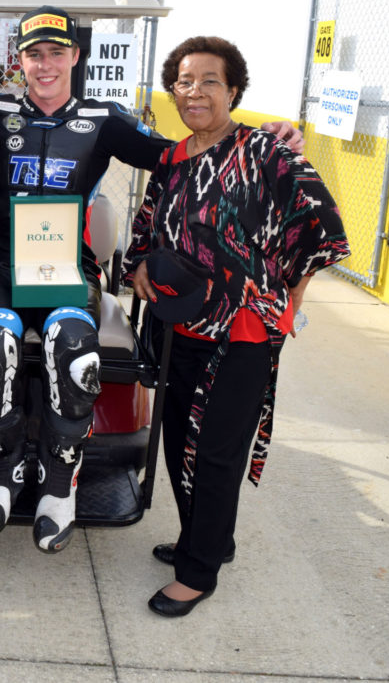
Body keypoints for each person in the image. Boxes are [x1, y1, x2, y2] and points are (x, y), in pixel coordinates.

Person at [0, 5, 306, 555]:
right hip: (2, 262)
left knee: (74, 349)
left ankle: (59, 483)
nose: (45, 65)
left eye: (56, 52)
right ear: (17, 60)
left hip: (68, 263)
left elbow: (181, 155)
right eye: (33, 54)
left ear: (75, 56)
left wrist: (260, 139)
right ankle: (1, 471)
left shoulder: (104, 118)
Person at [122, 35, 349, 617]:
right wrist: (143, 263)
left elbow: (323, 227)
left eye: (209, 82)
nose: (194, 92)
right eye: (184, 82)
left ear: (234, 91)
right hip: (181, 330)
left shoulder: (266, 152)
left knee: (217, 452)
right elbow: (147, 229)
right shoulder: (173, 159)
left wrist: (291, 294)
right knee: (179, 444)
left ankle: (197, 573)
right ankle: (209, 540)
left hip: (243, 334)